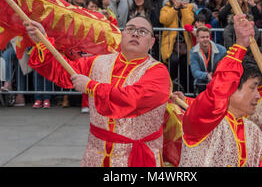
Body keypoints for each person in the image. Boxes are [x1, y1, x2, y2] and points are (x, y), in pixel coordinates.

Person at [24, 16, 170, 167]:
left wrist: (91, 86)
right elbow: (63, 72)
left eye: (143, 31)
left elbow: (134, 99)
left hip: (137, 157)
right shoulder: (98, 62)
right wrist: (43, 42)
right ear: (122, 34)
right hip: (96, 155)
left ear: (152, 42)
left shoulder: (158, 72)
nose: (135, 34)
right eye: (130, 29)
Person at [179, 15, 262, 167]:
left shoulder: (253, 134)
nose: (258, 95)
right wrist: (239, 46)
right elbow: (215, 94)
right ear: (231, 87)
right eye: (252, 87)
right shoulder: (203, 121)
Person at [190, 25, 226, 95]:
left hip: (218, 81)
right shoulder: (193, 51)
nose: (205, 39)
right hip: (202, 82)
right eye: (202, 37)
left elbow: (225, 68)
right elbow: (195, 72)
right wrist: (206, 75)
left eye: (207, 37)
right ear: (197, 39)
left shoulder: (222, 50)